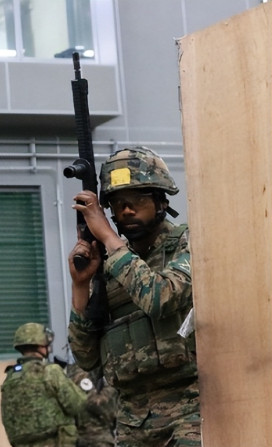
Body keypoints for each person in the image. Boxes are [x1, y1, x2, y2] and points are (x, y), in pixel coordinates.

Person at [67, 146, 198, 446]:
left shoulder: (187, 242)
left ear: (161, 201)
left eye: (137, 200)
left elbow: (161, 297)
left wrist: (108, 237)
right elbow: (86, 357)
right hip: (132, 420)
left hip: (191, 408)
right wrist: (80, 286)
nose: (126, 210)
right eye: (117, 204)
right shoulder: (110, 265)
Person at [0, 322, 86, 447]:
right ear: (40, 345)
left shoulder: (11, 376)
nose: (49, 349)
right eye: (47, 345)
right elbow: (77, 404)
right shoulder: (50, 371)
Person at [66, 363, 118, 447]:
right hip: (93, 436)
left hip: (99, 435)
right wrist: (112, 389)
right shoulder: (81, 372)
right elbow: (94, 403)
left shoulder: (99, 369)